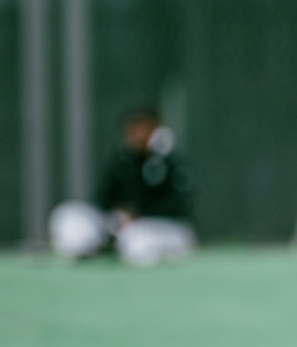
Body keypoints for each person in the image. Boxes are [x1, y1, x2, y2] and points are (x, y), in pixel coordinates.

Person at [49, 106, 197, 266]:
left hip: (163, 228)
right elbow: (104, 198)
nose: (136, 136)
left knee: (137, 242)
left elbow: (177, 206)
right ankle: (88, 248)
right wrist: (119, 214)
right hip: (123, 226)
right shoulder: (123, 163)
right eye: (132, 131)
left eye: (142, 130)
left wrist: (138, 214)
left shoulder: (170, 163)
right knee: (69, 213)